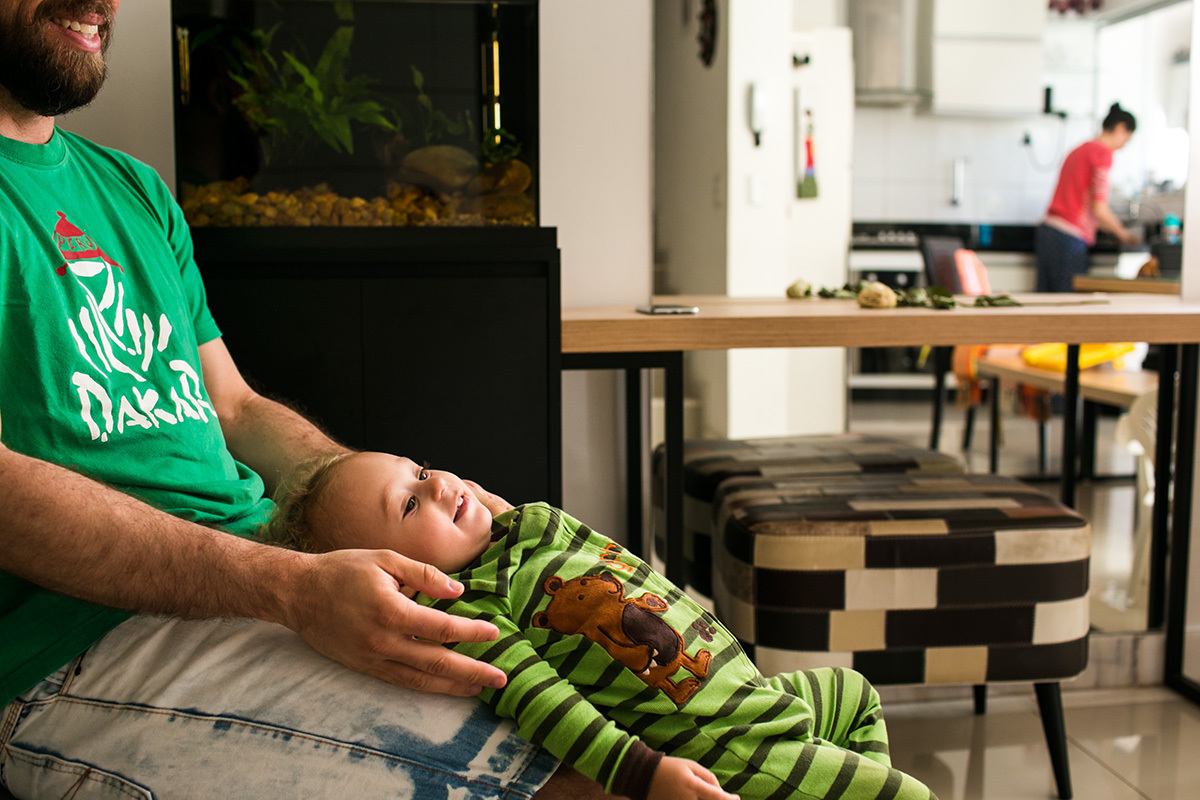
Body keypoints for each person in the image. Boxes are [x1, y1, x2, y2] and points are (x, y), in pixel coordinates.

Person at [0, 1, 599, 796]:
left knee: (635, 693)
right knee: (576, 777)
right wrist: (284, 587)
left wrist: (388, 494)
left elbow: (234, 408)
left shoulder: (132, 189)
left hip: (258, 573)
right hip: (81, 638)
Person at [263, 451, 940, 800]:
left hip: (754, 693)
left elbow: (602, 552)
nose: (439, 483)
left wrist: (508, 513)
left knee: (856, 694)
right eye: (410, 504)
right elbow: (550, 710)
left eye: (419, 468)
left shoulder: (522, 535)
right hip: (723, 741)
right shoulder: (472, 613)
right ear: (400, 578)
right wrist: (646, 776)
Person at [1036, 103, 1140, 292]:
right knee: (1067, 307)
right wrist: (1123, 234)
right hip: (1069, 237)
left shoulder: (1079, 149)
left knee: (1045, 305)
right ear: (1120, 129)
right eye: (1127, 138)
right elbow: (1099, 209)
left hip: (1048, 231)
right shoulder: (1102, 154)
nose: (1124, 145)